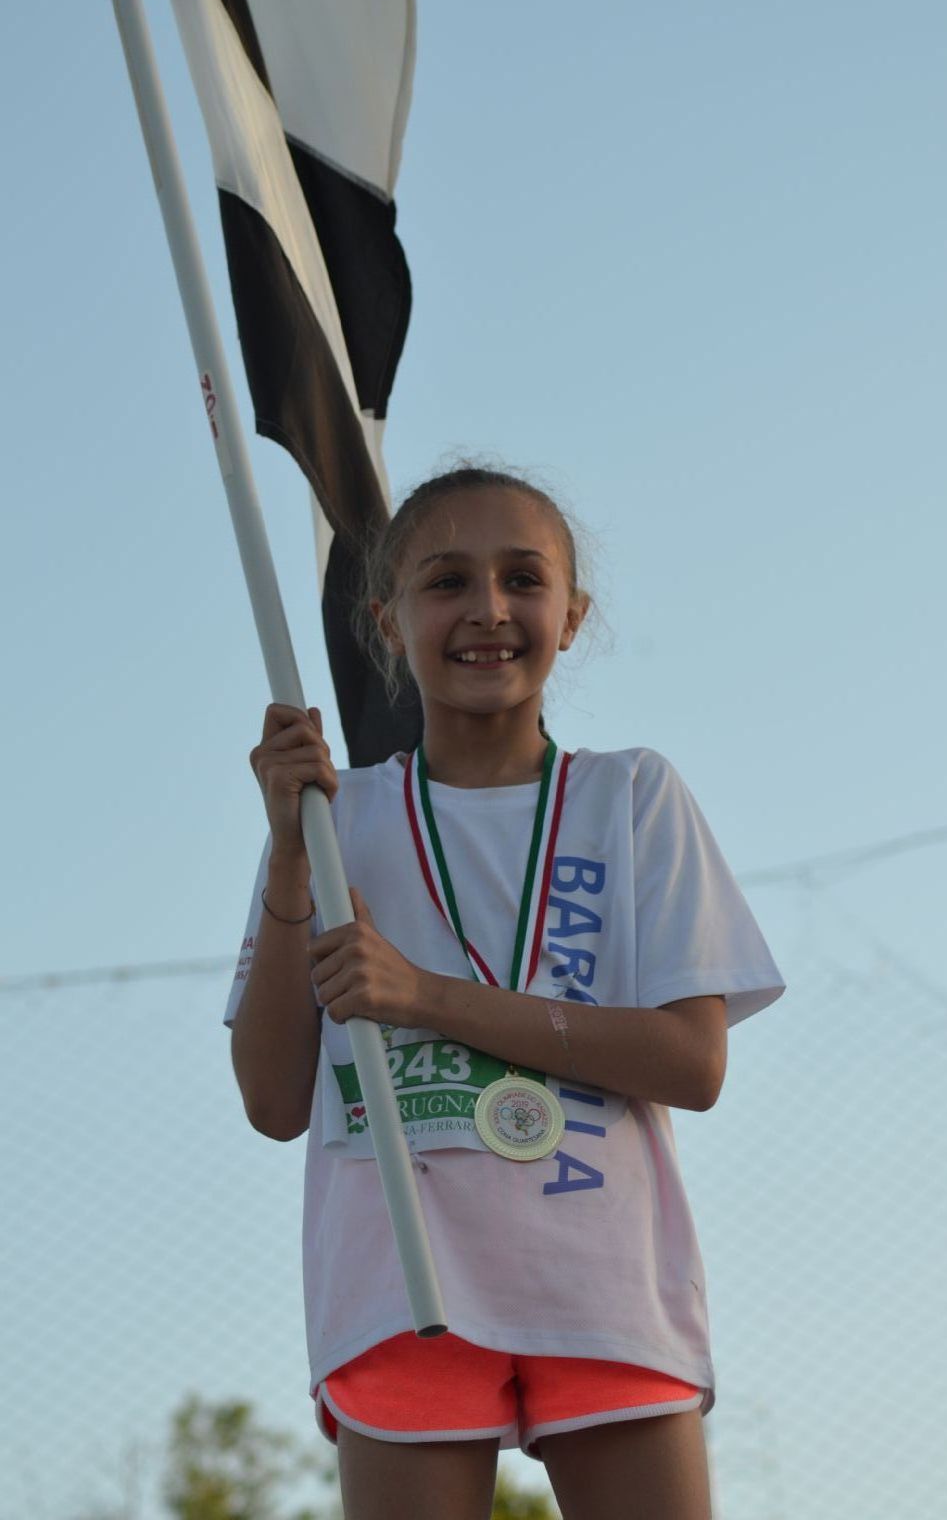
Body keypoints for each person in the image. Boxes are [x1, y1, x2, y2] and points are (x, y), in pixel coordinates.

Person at [227, 465, 785, 1520]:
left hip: (604, 1281)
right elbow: (270, 1099)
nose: (487, 608)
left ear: (571, 616)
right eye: (446, 581)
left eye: (522, 579)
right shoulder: (331, 821)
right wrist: (292, 858)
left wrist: (425, 995)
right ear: (387, 623)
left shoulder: (632, 794)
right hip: (400, 1284)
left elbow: (692, 1063)